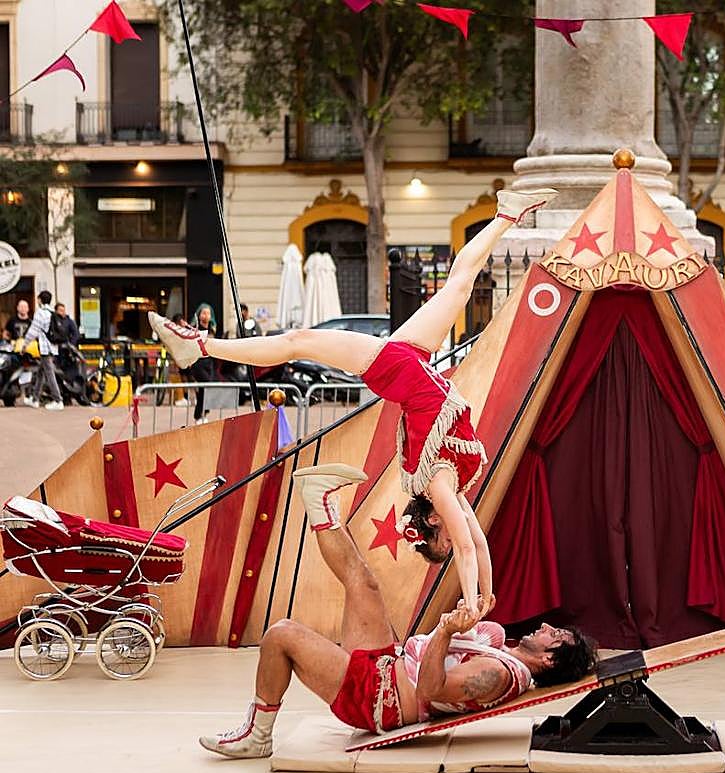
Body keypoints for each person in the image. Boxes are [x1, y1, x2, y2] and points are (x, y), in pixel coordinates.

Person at [151, 188, 556, 618]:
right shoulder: (447, 486)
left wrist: (473, 607)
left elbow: (467, 548)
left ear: (433, 523)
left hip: (397, 370)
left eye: (443, 539)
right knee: (459, 284)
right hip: (411, 363)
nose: (455, 530)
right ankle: (505, 216)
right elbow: (475, 542)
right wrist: (485, 598)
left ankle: (202, 347)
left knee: (296, 341)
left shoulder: (438, 485)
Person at [199, 463, 596, 759]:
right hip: (389, 667)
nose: (546, 625)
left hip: (377, 699)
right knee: (364, 582)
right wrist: (455, 500)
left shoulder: (497, 675)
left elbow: (429, 691)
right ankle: (318, 501)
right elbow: (474, 546)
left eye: (555, 635)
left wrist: (443, 632)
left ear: (547, 658)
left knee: (280, 634)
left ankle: (258, 736)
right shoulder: (497, 645)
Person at [23, 291, 64, 411]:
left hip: (45, 348)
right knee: (41, 373)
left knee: (49, 373)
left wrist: (25, 344)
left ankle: (58, 400)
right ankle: (34, 399)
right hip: (53, 347)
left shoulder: (40, 313)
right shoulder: (52, 313)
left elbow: (33, 331)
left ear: (40, 300)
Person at [187, 303, 223, 424]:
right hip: (198, 363)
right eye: (203, 313)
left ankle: (203, 413)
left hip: (209, 363)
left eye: (208, 313)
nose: (206, 316)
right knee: (205, 387)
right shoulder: (195, 329)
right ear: (199, 314)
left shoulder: (212, 329)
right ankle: (198, 415)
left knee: (207, 389)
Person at [53, 303, 81, 400]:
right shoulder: (54, 321)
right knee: (58, 373)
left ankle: (70, 395)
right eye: (60, 310)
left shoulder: (69, 322)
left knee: (70, 374)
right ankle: (61, 394)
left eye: (63, 310)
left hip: (68, 352)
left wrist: (71, 345)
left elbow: (76, 334)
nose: (62, 312)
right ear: (56, 311)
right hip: (57, 352)